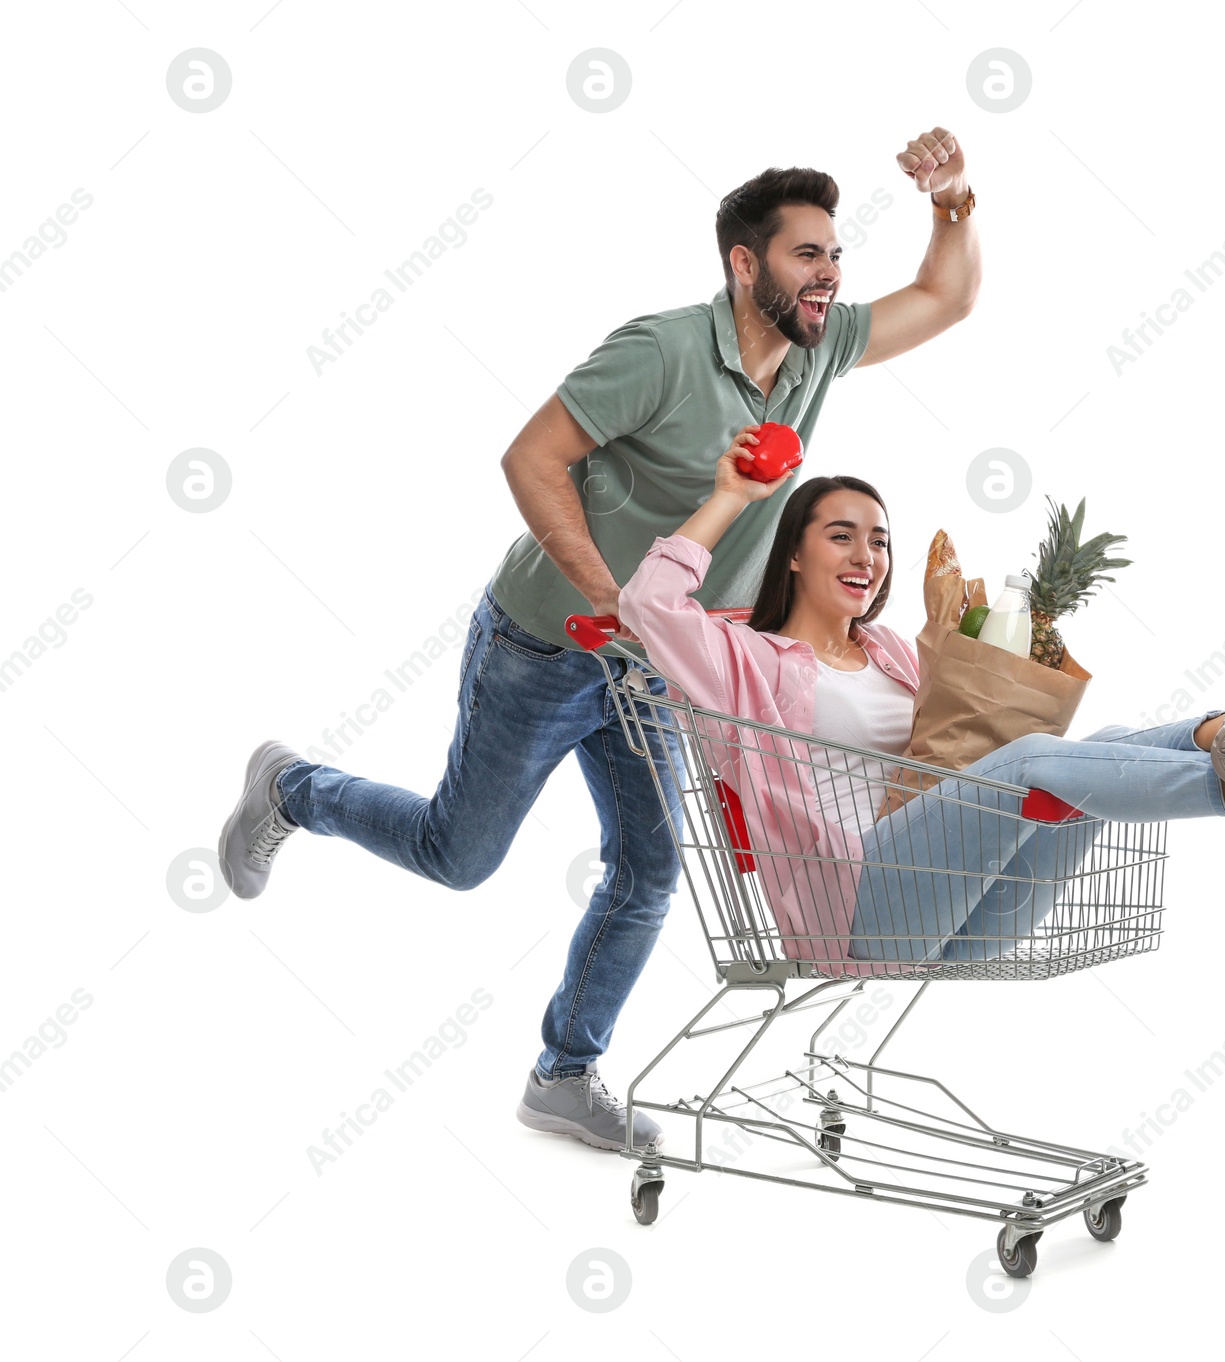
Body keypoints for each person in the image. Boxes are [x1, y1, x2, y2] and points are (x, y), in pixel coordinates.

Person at [215, 130, 982, 1151]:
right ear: (743, 264)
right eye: (807, 256)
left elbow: (946, 299)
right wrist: (612, 596)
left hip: (655, 670)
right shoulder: (660, 352)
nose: (830, 275)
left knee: (651, 868)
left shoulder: (819, 346)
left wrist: (954, 199)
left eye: (835, 257)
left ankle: (563, 1073)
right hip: (546, 642)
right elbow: (530, 459)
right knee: (459, 855)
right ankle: (293, 790)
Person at [617, 429, 1225, 965]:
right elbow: (648, 606)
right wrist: (730, 494)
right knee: (1036, 761)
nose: (868, 556)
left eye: (881, 539)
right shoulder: (746, 660)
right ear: (792, 552)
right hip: (853, 913)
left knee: (1110, 736)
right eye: (842, 535)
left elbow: (956, 751)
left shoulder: (895, 653)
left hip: (969, 910)